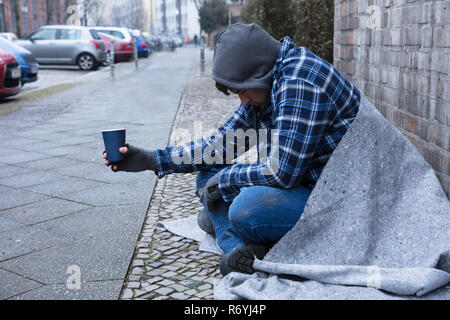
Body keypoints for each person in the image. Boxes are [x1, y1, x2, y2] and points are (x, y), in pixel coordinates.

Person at [103, 23, 361, 276]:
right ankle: (238, 248)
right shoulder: (269, 80)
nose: (243, 100)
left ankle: (227, 229)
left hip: (339, 202)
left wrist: (224, 182)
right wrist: (151, 159)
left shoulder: (301, 81)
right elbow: (219, 147)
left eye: (242, 91)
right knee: (208, 172)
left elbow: (283, 173)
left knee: (244, 209)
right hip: (304, 185)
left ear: (257, 72)